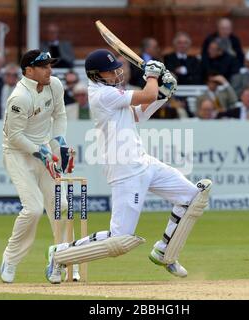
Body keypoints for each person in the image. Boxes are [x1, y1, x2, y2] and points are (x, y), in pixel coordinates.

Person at [45, 49, 212, 284]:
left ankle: (165, 251)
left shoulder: (111, 93)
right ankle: (60, 254)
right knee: (120, 239)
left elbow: (139, 114)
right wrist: (153, 77)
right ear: (96, 75)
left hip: (143, 162)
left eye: (116, 68)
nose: (116, 73)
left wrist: (162, 93)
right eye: (110, 70)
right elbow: (147, 95)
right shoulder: (102, 94)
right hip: (125, 170)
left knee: (194, 197)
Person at [0, 50, 76, 284]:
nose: (49, 70)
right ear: (29, 70)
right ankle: (10, 259)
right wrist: (41, 152)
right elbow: (14, 137)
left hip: (44, 150)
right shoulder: (19, 97)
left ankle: (58, 260)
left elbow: (60, 115)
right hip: (18, 154)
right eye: (43, 66)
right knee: (32, 209)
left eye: (50, 65)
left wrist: (59, 141)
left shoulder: (54, 85)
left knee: (61, 205)